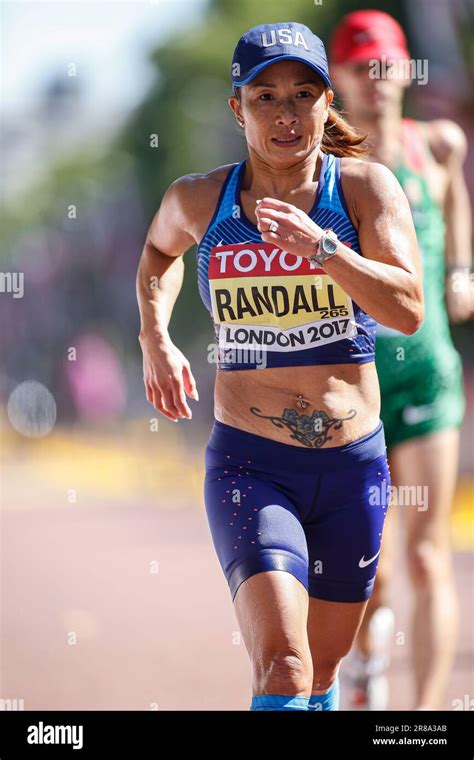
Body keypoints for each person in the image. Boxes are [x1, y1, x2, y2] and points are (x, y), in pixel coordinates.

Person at [136, 21, 423, 712]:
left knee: (322, 672)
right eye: (265, 96)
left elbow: (409, 306)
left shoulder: (361, 190)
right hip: (251, 466)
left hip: (353, 467)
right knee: (285, 667)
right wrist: (155, 336)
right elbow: (158, 256)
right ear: (238, 108)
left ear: (329, 102)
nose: (286, 114)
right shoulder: (201, 198)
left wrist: (324, 249)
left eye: (303, 94)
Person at [329, 9, 472, 710]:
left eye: (384, 65)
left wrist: (464, 271)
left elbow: (457, 208)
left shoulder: (437, 146)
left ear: (404, 69)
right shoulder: (329, 168)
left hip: (428, 373)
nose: (375, 80)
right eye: (359, 67)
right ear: (339, 80)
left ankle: (425, 718)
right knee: (370, 568)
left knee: (426, 553)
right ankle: (364, 659)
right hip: (358, 384)